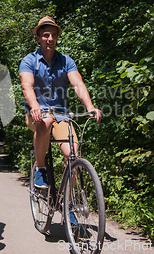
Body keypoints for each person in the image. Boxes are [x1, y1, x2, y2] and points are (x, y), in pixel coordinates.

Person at [19, 16, 102, 189]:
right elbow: (27, 86)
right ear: (38, 38)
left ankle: (69, 203)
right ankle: (40, 168)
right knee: (44, 122)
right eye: (46, 35)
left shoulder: (66, 61)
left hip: (61, 114)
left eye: (54, 35)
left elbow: (78, 84)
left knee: (72, 155)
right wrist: (34, 106)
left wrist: (90, 106)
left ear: (57, 38)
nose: (50, 39)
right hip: (36, 113)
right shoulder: (29, 61)